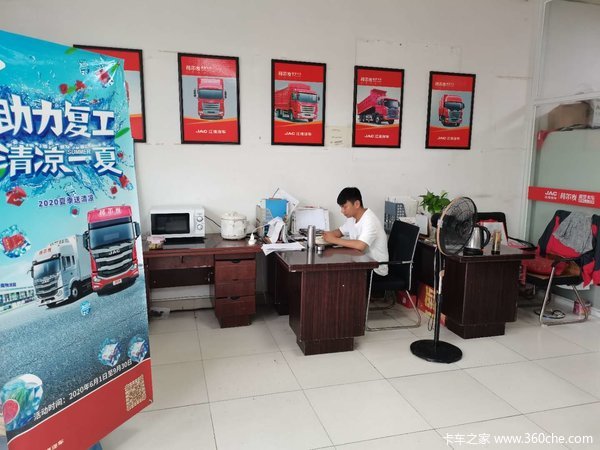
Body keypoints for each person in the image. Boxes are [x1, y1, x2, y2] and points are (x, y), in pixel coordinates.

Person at [322, 187, 389, 277]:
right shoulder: (352, 218)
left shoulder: (370, 220)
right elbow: (339, 232)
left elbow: (360, 246)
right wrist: (325, 236)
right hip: (360, 264)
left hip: (375, 270)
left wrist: (333, 240)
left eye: (345, 207)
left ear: (357, 204)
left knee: (335, 275)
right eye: (341, 207)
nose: (342, 211)